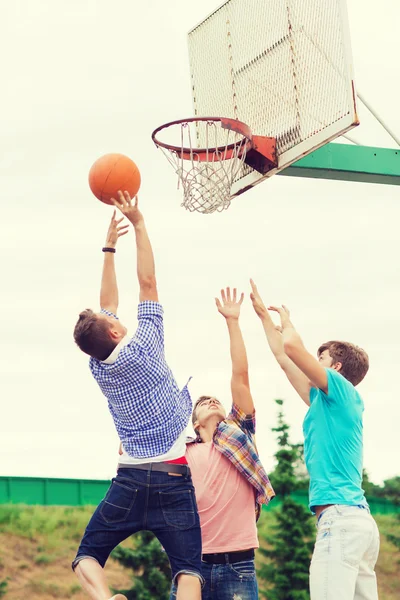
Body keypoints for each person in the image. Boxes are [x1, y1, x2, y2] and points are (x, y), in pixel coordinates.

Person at [72, 191, 203, 600]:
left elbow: (105, 306)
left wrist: (109, 247)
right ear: (113, 331)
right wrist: (140, 224)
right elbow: (147, 281)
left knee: (87, 557)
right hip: (173, 477)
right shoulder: (146, 341)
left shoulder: (98, 367)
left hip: (128, 481)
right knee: (189, 572)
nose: (113, 314)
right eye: (109, 319)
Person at [249, 279, 380, 600]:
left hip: (341, 521)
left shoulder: (339, 388)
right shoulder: (327, 402)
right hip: (356, 521)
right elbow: (284, 358)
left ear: (335, 368)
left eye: (319, 358)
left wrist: (288, 320)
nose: (313, 361)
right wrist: (265, 319)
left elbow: (293, 349)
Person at [170, 287, 275, 600]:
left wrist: (232, 321)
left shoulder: (238, 433)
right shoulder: (182, 450)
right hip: (190, 566)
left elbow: (240, 376)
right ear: (195, 423)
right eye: (202, 402)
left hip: (238, 567)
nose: (211, 400)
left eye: (214, 399)